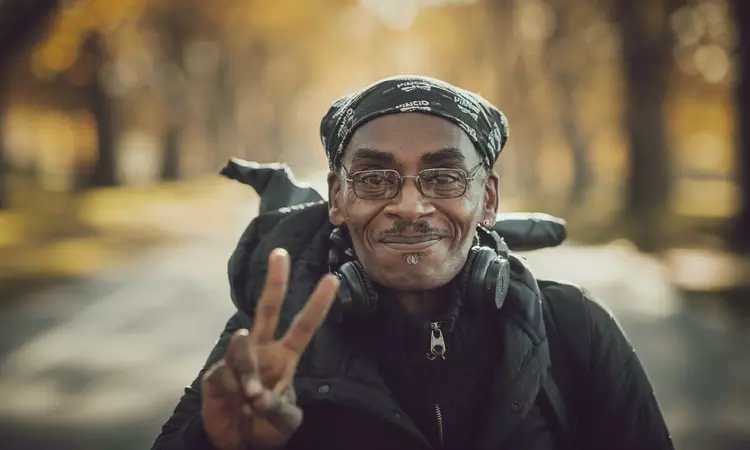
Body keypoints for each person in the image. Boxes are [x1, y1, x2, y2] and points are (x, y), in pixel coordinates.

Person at [151, 75, 674, 450]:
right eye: (375, 178)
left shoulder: (575, 329)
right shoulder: (269, 345)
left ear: (487, 200)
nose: (409, 205)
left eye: (444, 177)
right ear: (337, 198)